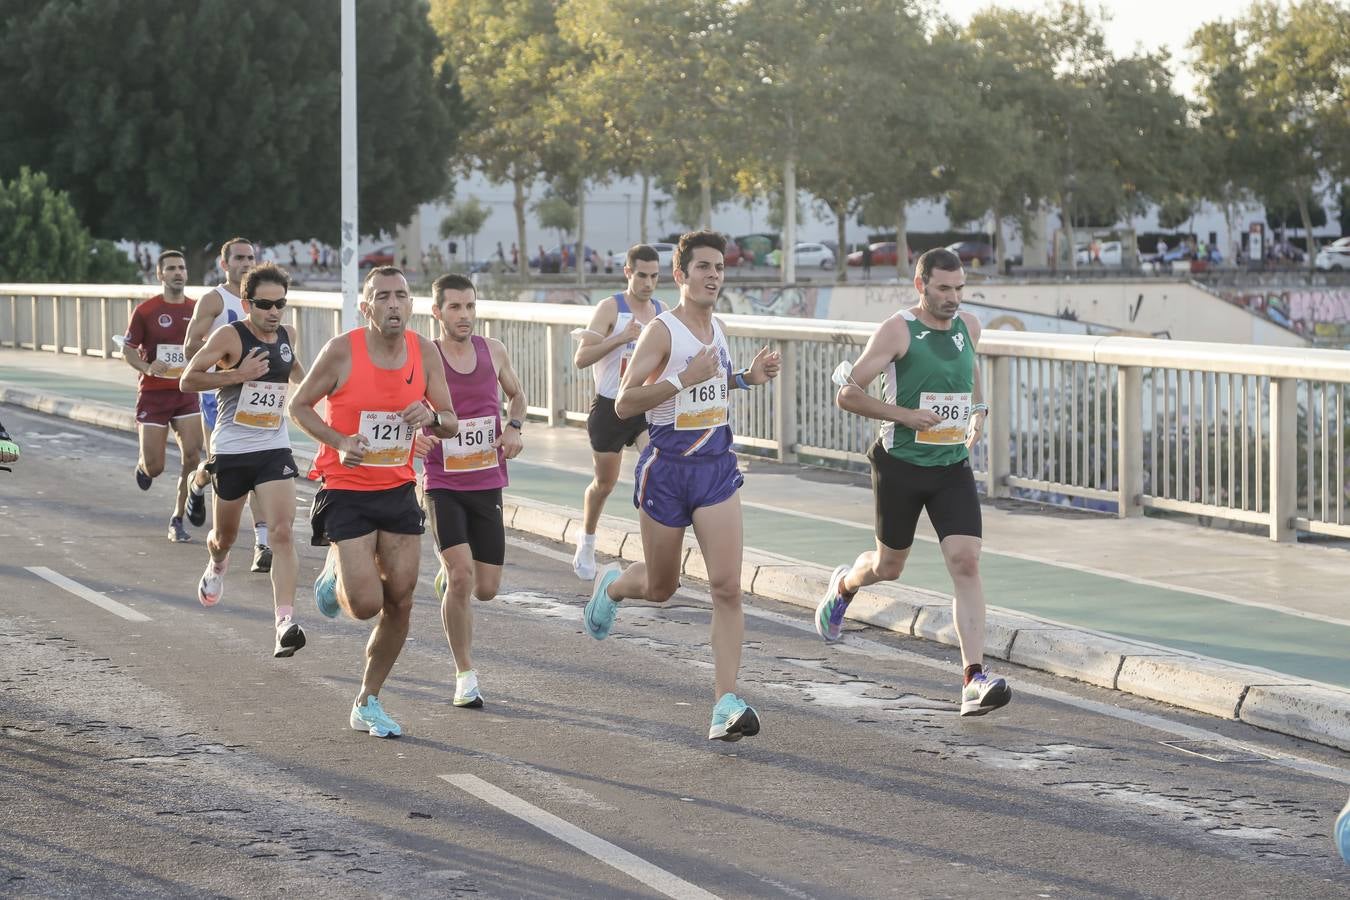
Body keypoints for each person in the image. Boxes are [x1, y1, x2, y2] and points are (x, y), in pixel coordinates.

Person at [582, 231, 782, 742]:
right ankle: (614, 585)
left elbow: (715, 380)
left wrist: (747, 379)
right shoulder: (662, 332)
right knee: (661, 586)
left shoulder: (718, 328)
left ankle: (724, 705)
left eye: (719, 267)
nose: (714, 275)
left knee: (727, 588)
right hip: (667, 470)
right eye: (703, 268)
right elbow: (624, 404)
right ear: (681, 276)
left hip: (715, 467)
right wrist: (681, 380)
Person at [814, 246, 1011, 718]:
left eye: (960, 288)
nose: (953, 298)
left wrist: (979, 409)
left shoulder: (970, 327)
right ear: (921, 286)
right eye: (944, 289)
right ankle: (843, 587)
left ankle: (972, 678)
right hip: (900, 463)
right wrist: (906, 416)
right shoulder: (898, 330)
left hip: (950, 465)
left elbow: (969, 372)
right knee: (888, 566)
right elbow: (848, 394)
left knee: (965, 561)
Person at [289, 266, 459, 738]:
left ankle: (368, 700)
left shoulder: (424, 352)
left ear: (410, 305)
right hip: (345, 488)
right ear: (366, 308)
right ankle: (336, 572)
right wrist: (339, 440)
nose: (392, 304)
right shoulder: (342, 350)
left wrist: (431, 414)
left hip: (399, 488)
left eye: (400, 296)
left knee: (401, 600)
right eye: (382, 296)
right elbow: (298, 406)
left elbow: (451, 421)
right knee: (365, 604)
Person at [180, 262, 309, 657]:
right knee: (225, 538)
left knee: (282, 532)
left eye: (280, 304)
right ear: (248, 302)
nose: (273, 312)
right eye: (265, 304)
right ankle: (217, 565)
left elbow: (300, 377)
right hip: (233, 449)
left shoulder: (287, 335)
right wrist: (236, 375)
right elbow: (189, 379)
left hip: (273, 447)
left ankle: (284, 622)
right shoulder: (229, 336)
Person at [422, 274, 526, 709]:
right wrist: (418, 435)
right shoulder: (425, 355)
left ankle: (449, 575)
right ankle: (465, 674)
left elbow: (517, 396)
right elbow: (401, 404)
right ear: (437, 312)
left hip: (486, 481)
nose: (464, 315)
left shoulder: (493, 350)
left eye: (469, 306)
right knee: (464, 576)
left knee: (486, 588)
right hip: (442, 482)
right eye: (454, 308)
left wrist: (514, 427)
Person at [570, 244, 666, 579]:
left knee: (656, 472)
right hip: (610, 408)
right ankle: (587, 539)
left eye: (654, 276)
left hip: (643, 406)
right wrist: (621, 337)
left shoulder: (661, 310)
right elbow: (581, 358)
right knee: (604, 483)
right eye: (642, 275)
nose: (648, 283)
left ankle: (655, 552)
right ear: (628, 273)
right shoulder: (611, 307)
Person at [183, 238, 272, 572]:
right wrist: (225, 366)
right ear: (224, 264)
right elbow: (190, 347)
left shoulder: (264, 300)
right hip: (218, 396)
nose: (246, 263)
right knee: (220, 465)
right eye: (238, 258)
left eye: (251, 257)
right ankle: (198, 481)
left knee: (261, 462)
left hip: (259, 396)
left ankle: (263, 544)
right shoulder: (213, 300)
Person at [121, 250, 203, 543]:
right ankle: (144, 466)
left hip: (185, 392)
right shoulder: (146, 311)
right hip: (153, 395)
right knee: (156, 467)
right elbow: (128, 349)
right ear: (160, 275)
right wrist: (147, 366)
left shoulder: (197, 309)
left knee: (193, 455)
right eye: (171, 268)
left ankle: (177, 518)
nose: (178, 272)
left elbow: (208, 344)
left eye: (182, 267)